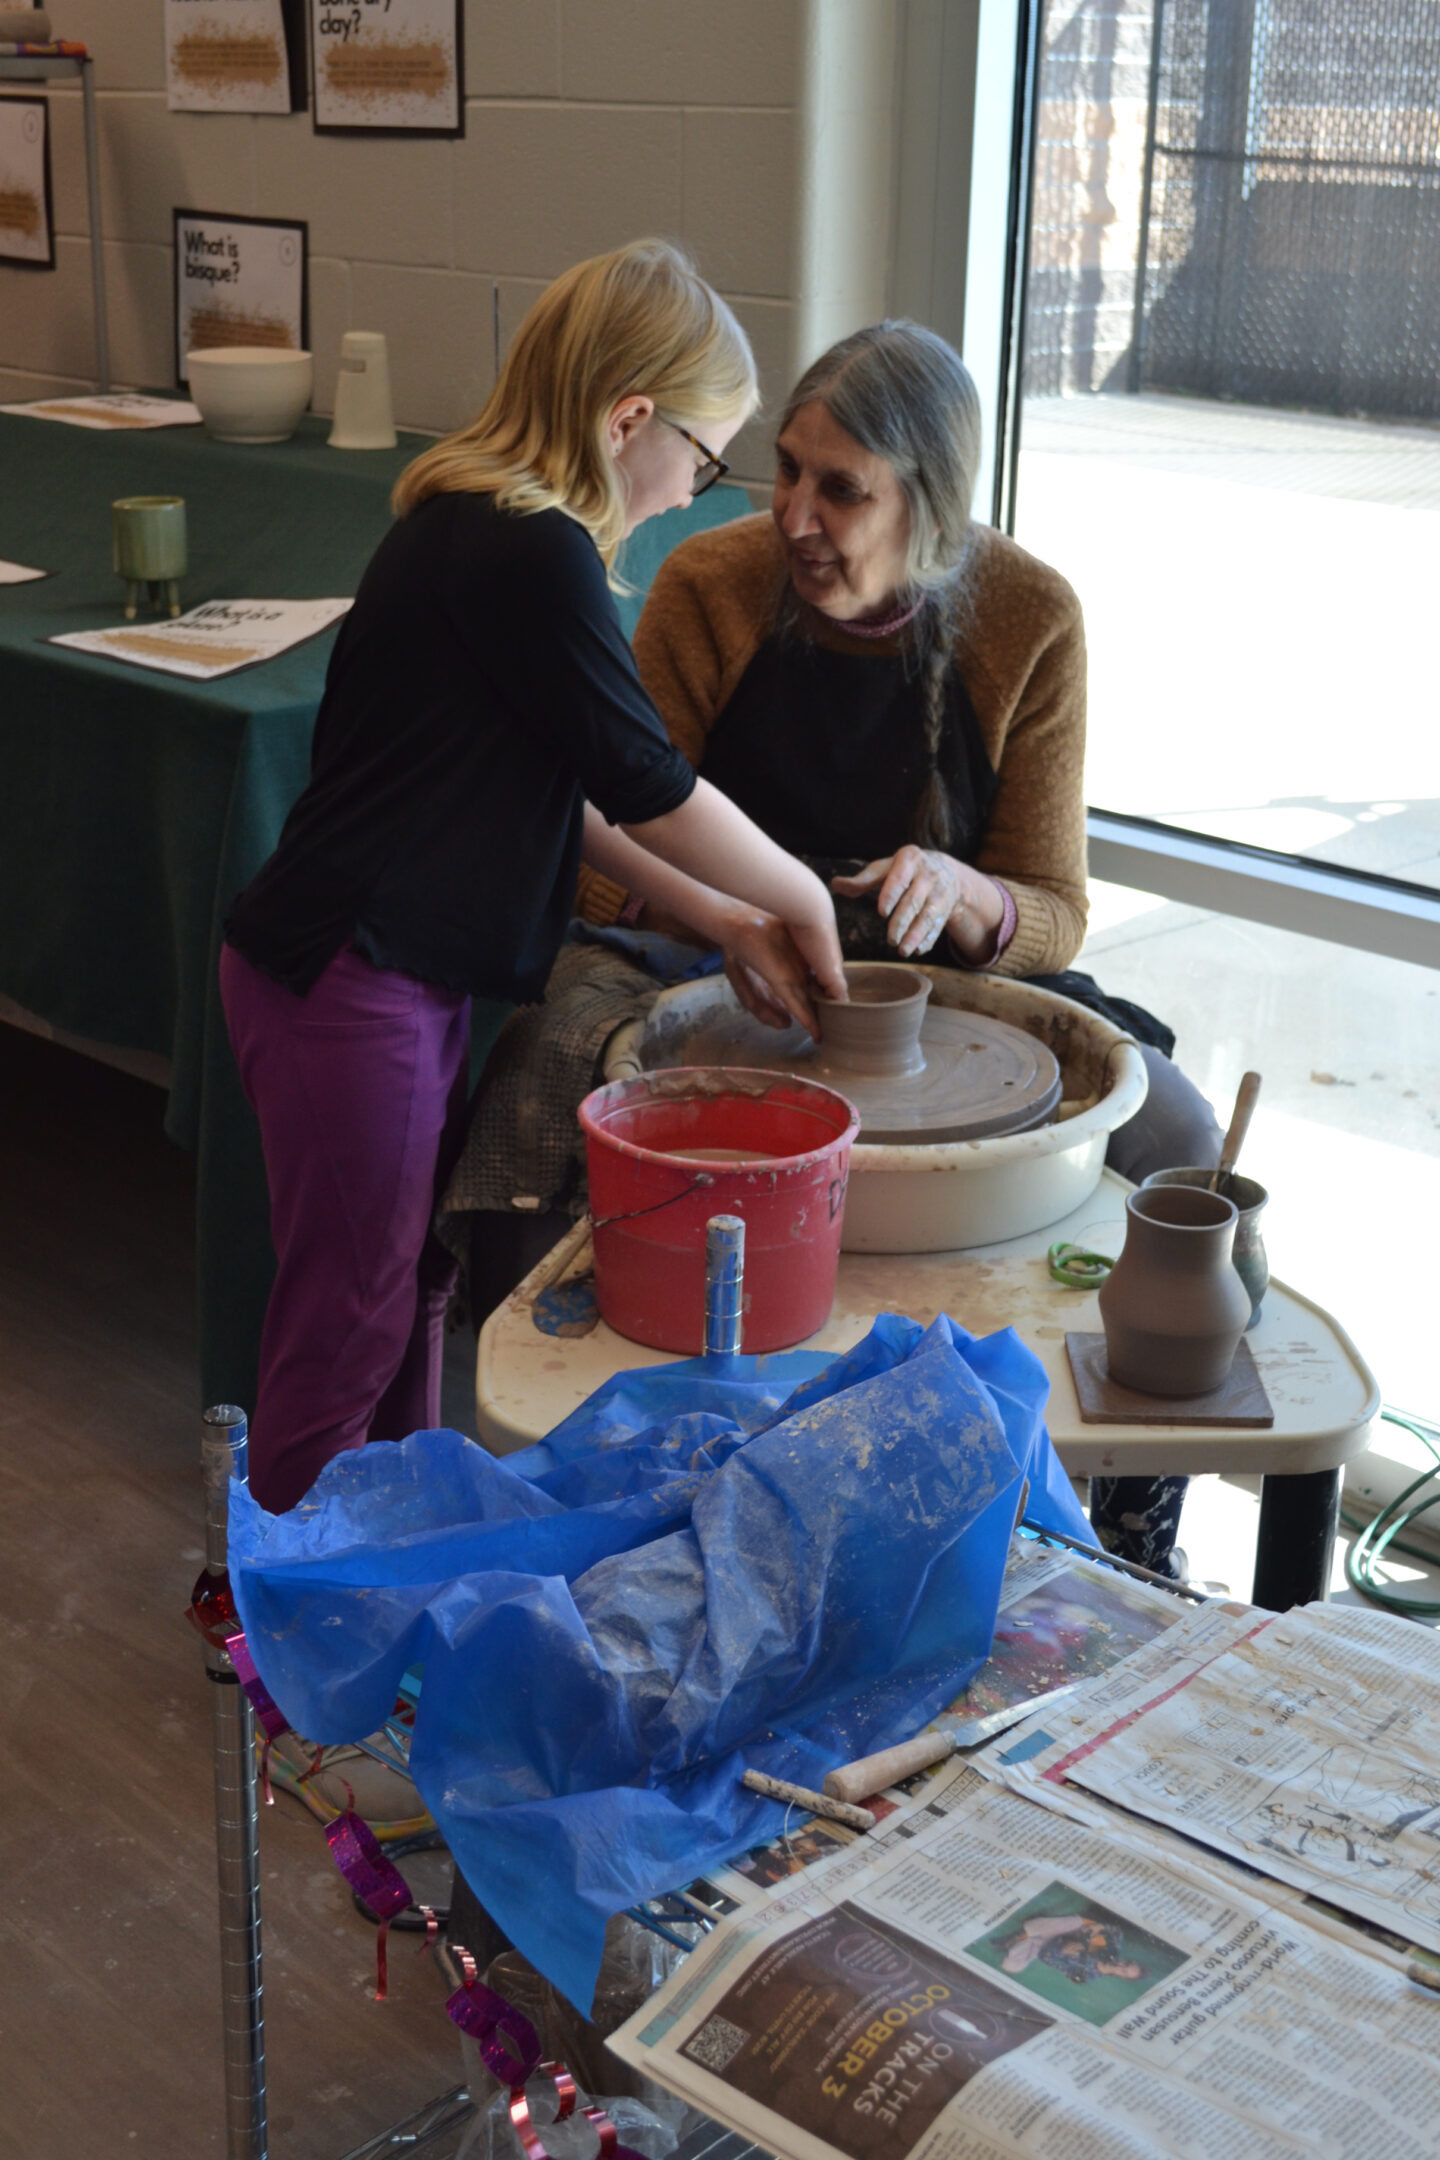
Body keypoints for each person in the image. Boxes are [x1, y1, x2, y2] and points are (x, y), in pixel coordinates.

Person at [582, 320, 1224, 1579]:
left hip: (954, 1000)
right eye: (788, 472)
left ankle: (1131, 1540)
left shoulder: (1028, 617)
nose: (796, 517)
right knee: (551, 1080)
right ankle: (614, 1499)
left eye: (842, 488)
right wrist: (731, 913)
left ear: (926, 503)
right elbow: (608, 858)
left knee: (1182, 1142)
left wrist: (972, 891)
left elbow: (1056, 908)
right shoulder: (709, 588)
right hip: (724, 966)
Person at [220, 239, 846, 1515]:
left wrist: (726, 911)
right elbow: (644, 783)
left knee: (411, 1288)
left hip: (401, 973)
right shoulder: (527, 550)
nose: (696, 490)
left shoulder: (483, 523)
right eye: (706, 458)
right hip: (352, 975)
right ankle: (276, 1615)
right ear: (629, 418)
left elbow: (567, 785)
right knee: (350, 1314)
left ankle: (379, 1553)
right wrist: (808, 899)